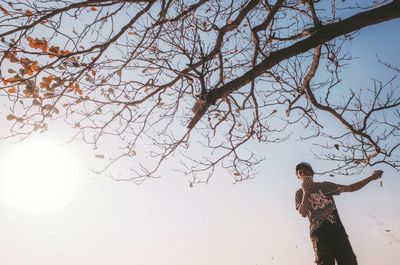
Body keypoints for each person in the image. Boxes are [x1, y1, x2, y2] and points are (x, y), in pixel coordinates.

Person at [294, 162, 383, 265]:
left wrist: (371, 177)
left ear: (312, 174)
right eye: (300, 173)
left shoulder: (325, 186)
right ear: (298, 176)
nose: (304, 174)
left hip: (337, 231)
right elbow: (303, 212)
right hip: (319, 235)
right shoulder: (299, 193)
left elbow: (351, 188)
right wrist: (306, 191)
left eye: (306, 172)